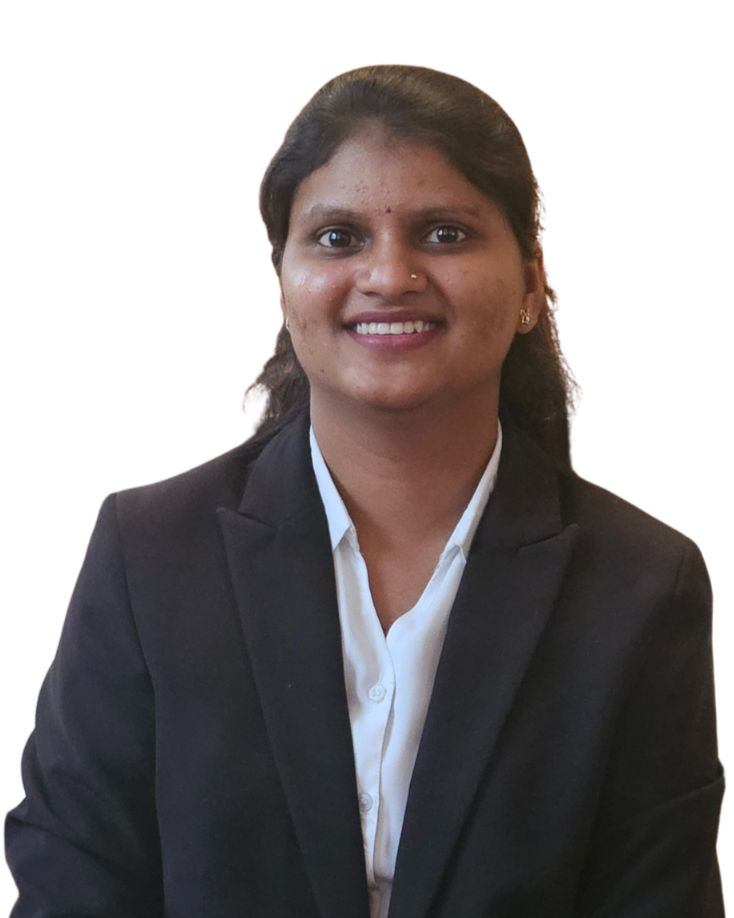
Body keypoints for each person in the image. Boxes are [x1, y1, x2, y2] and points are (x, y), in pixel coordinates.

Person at [3, 64, 725, 917]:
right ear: (284, 280)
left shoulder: (642, 583)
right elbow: (69, 884)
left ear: (532, 285)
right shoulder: (149, 550)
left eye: (446, 234)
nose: (389, 276)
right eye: (339, 237)